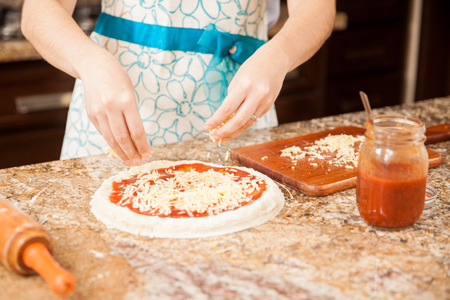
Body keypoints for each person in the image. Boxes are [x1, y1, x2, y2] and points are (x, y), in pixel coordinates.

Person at [21, 0, 336, 165]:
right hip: (113, 114)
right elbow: (39, 9)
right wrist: (89, 63)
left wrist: (278, 57)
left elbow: (317, 8)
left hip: (238, 112)